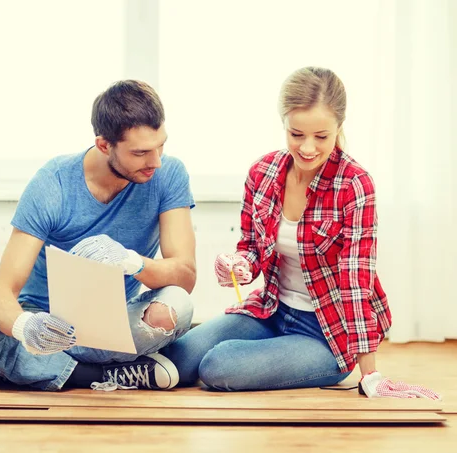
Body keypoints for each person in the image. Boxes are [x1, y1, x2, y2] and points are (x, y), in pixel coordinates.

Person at [162, 67, 440, 399]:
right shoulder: (262, 172)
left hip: (326, 333)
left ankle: (295, 360)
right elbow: (251, 247)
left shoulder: (354, 185)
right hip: (272, 310)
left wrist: (372, 375)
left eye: (321, 136)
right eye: (296, 134)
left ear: (339, 127)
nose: (307, 148)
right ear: (283, 125)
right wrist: (240, 264)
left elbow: (356, 281)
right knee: (178, 356)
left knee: (217, 366)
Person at [0, 80, 196, 391]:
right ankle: (99, 375)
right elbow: (2, 292)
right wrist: (24, 326)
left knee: (177, 307)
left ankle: (13, 366)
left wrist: (131, 262)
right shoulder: (53, 184)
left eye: (161, 146)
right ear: (104, 145)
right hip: (42, 321)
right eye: (140, 152)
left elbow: (184, 277)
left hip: (111, 324)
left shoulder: (168, 174)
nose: (155, 161)